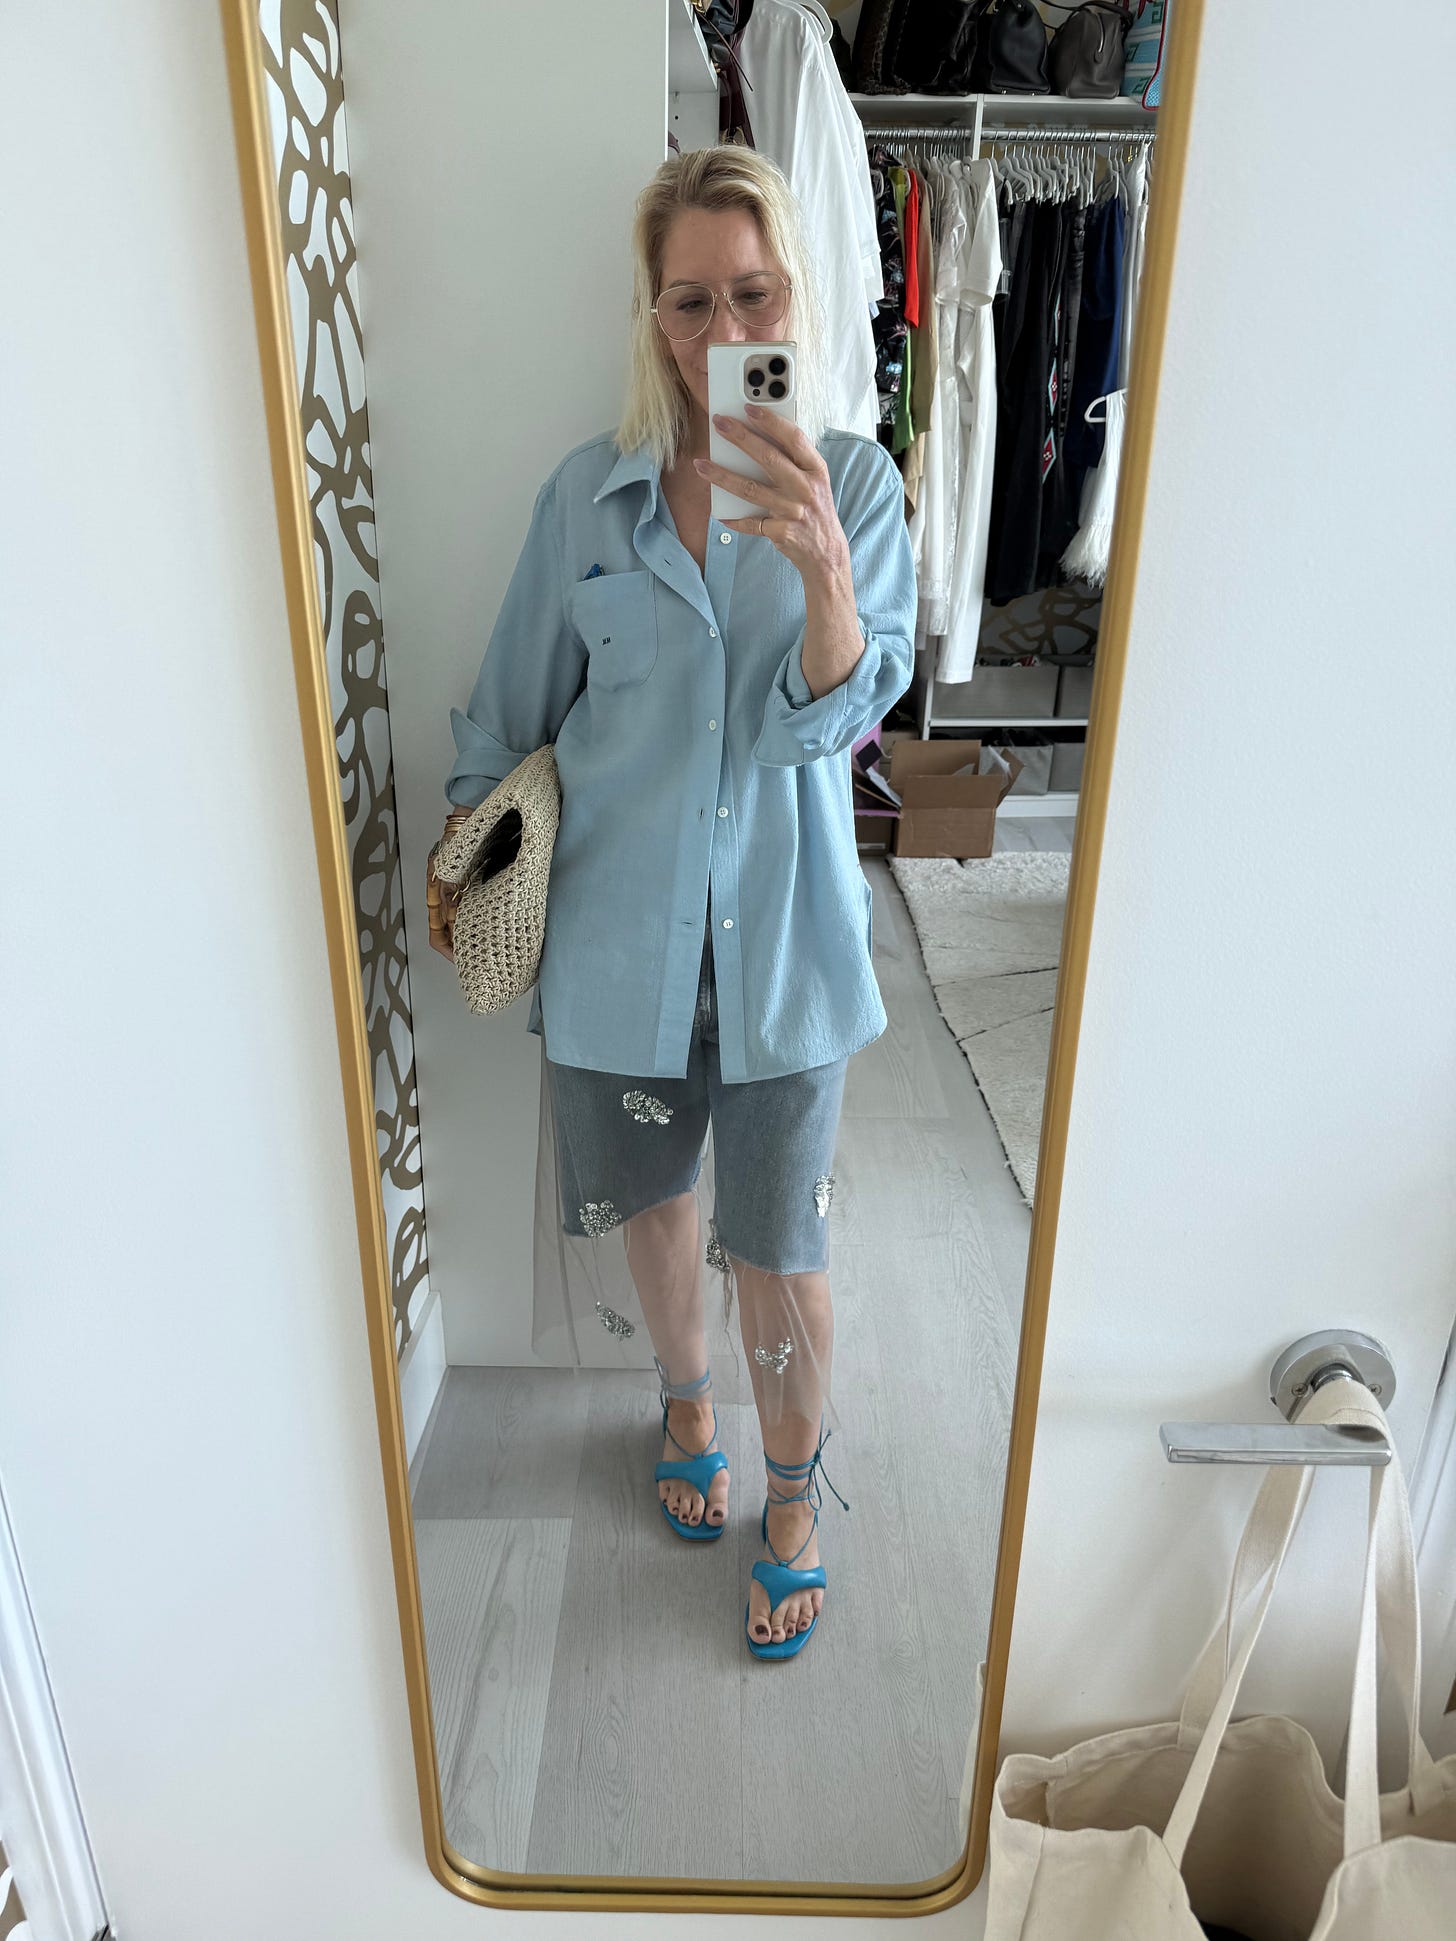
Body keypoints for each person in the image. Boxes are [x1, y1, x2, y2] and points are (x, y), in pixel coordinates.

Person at [428, 146, 916, 1658]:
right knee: (655, 1210)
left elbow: (844, 725)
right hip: (617, 947)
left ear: (795, 299)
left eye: (753, 294)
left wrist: (823, 571)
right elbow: (508, 707)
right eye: (691, 300)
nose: (723, 329)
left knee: (782, 1249)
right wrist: (464, 848)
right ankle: (686, 1407)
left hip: (784, 950)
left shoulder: (859, 485)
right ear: (652, 314)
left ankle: (795, 1491)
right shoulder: (588, 498)